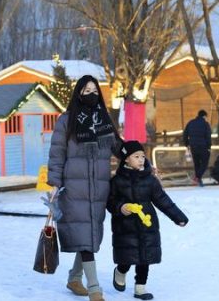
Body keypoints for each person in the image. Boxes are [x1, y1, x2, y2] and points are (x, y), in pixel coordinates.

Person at [47, 75, 122, 301]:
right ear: (78, 93)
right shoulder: (66, 121)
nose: (91, 94)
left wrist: (143, 163)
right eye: (86, 90)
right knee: (84, 235)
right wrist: (55, 184)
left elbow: (119, 147)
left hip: (99, 189)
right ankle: (95, 289)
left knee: (88, 236)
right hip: (73, 189)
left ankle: (74, 278)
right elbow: (57, 154)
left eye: (95, 90)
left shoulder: (104, 120)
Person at [108, 141, 188, 300]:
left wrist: (178, 217)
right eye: (136, 156)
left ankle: (140, 288)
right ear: (126, 160)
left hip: (147, 224)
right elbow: (110, 201)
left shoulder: (150, 180)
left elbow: (162, 200)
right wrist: (120, 207)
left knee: (145, 257)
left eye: (143, 156)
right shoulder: (117, 181)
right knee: (128, 257)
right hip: (125, 226)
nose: (141, 159)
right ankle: (120, 271)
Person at [183, 110, 212, 186]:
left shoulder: (190, 123)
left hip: (193, 146)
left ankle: (198, 180)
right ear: (204, 116)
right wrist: (209, 146)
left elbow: (185, 134)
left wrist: (187, 144)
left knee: (197, 163)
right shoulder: (205, 124)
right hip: (203, 146)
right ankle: (198, 177)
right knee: (205, 163)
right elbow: (208, 136)